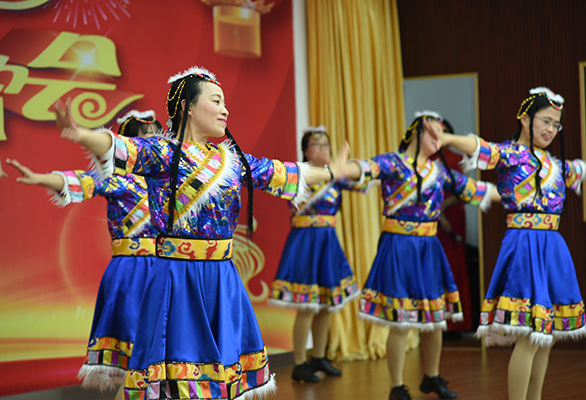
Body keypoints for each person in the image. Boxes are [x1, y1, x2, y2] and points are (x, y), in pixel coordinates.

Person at [53, 66, 350, 400]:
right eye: (216, 101)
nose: (225, 110)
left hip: (222, 279)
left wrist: (331, 172)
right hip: (177, 277)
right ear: (188, 107)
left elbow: (281, 173)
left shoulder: (232, 160)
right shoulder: (164, 153)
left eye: (224, 102)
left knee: (218, 379)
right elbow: (122, 148)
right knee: (173, 377)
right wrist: (80, 134)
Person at [437, 87, 586, 400]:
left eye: (555, 124)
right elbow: (482, 148)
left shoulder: (556, 164)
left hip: (552, 248)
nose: (550, 129)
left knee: (546, 334)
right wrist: (448, 138)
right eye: (544, 121)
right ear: (525, 119)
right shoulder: (511, 154)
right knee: (530, 335)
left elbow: (579, 170)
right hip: (525, 246)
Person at [6, 110, 162, 399]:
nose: (153, 140)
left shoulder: (167, 182)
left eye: (156, 134)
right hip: (133, 273)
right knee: (139, 361)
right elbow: (83, 181)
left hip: (166, 270)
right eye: (145, 135)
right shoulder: (119, 180)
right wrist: (40, 178)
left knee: (166, 359)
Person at [348, 111, 499, 400]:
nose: (439, 139)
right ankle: (396, 385)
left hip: (429, 247)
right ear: (418, 132)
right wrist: (341, 169)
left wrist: (515, 195)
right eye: (434, 132)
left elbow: (473, 189)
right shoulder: (392, 163)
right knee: (401, 320)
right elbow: (365, 169)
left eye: (442, 134)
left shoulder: (439, 171)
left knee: (435, 317)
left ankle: (432, 375)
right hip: (399, 246)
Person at [269, 126, 362, 383]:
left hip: (328, 241)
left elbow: (361, 181)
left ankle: (319, 356)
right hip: (305, 243)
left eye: (326, 145)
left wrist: (342, 165)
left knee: (326, 304)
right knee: (307, 305)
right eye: (316, 145)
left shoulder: (337, 176)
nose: (322, 149)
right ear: (306, 150)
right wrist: (333, 170)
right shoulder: (299, 174)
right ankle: (300, 362)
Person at [431, 119, 474, 333]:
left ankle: (458, 323)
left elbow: (466, 190)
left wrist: (444, 207)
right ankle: (435, 321)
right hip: (431, 217)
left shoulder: (457, 158)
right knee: (433, 266)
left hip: (453, 214)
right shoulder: (426, 161)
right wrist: (437, 212)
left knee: (455, 264)